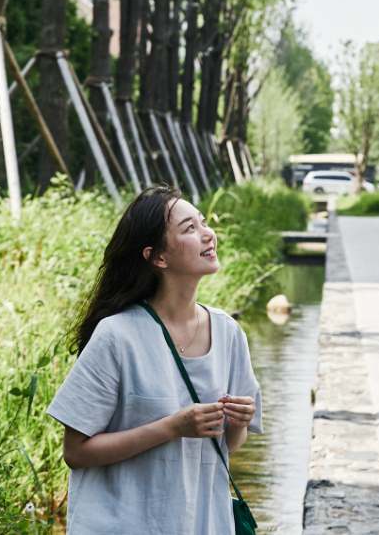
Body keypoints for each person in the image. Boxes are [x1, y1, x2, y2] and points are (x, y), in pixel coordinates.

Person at [46, 185, 262, 534]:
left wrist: (238, 421)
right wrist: (172, 428)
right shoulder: (117, 335)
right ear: (157, 257)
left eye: (204, 222)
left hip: (203, 524)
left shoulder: (229, 333)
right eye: (190, 228)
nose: (209, 233)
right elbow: (76, 451)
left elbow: (230, 446)